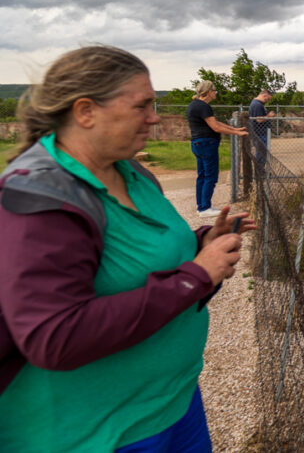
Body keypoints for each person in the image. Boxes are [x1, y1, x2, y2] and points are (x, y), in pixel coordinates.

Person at [0, 45, 256, 452]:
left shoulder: (130, 170)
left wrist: (201, 245)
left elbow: (138, 261)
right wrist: (195, 276)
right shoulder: (41, 198)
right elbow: (54, 337)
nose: (155, 117)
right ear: (86, 112)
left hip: (174, 403)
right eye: (142, 106)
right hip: (98, 431)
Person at [188, 80, 248, 215]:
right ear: (209, 91)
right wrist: (237, 134)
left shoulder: (195, 105)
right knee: (210, 176)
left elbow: (216, 122)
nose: (216, 93)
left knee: (202, 176)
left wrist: (234, 129)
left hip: (198, 143)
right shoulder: (203, 106)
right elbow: (215, 127)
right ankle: (205, 208)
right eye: (215, 91)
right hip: (206, 144)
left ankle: (201, 206)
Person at [248, 89, 276, 168]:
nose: (268, 101)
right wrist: (269, 116)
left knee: (262, 153)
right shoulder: (257, 105)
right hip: (260, 133)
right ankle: (259, 171)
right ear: (264, 95)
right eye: (268, 99)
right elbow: (259, 119)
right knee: (261, 153)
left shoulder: (257, 104)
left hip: (260, 133)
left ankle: (260, 170)